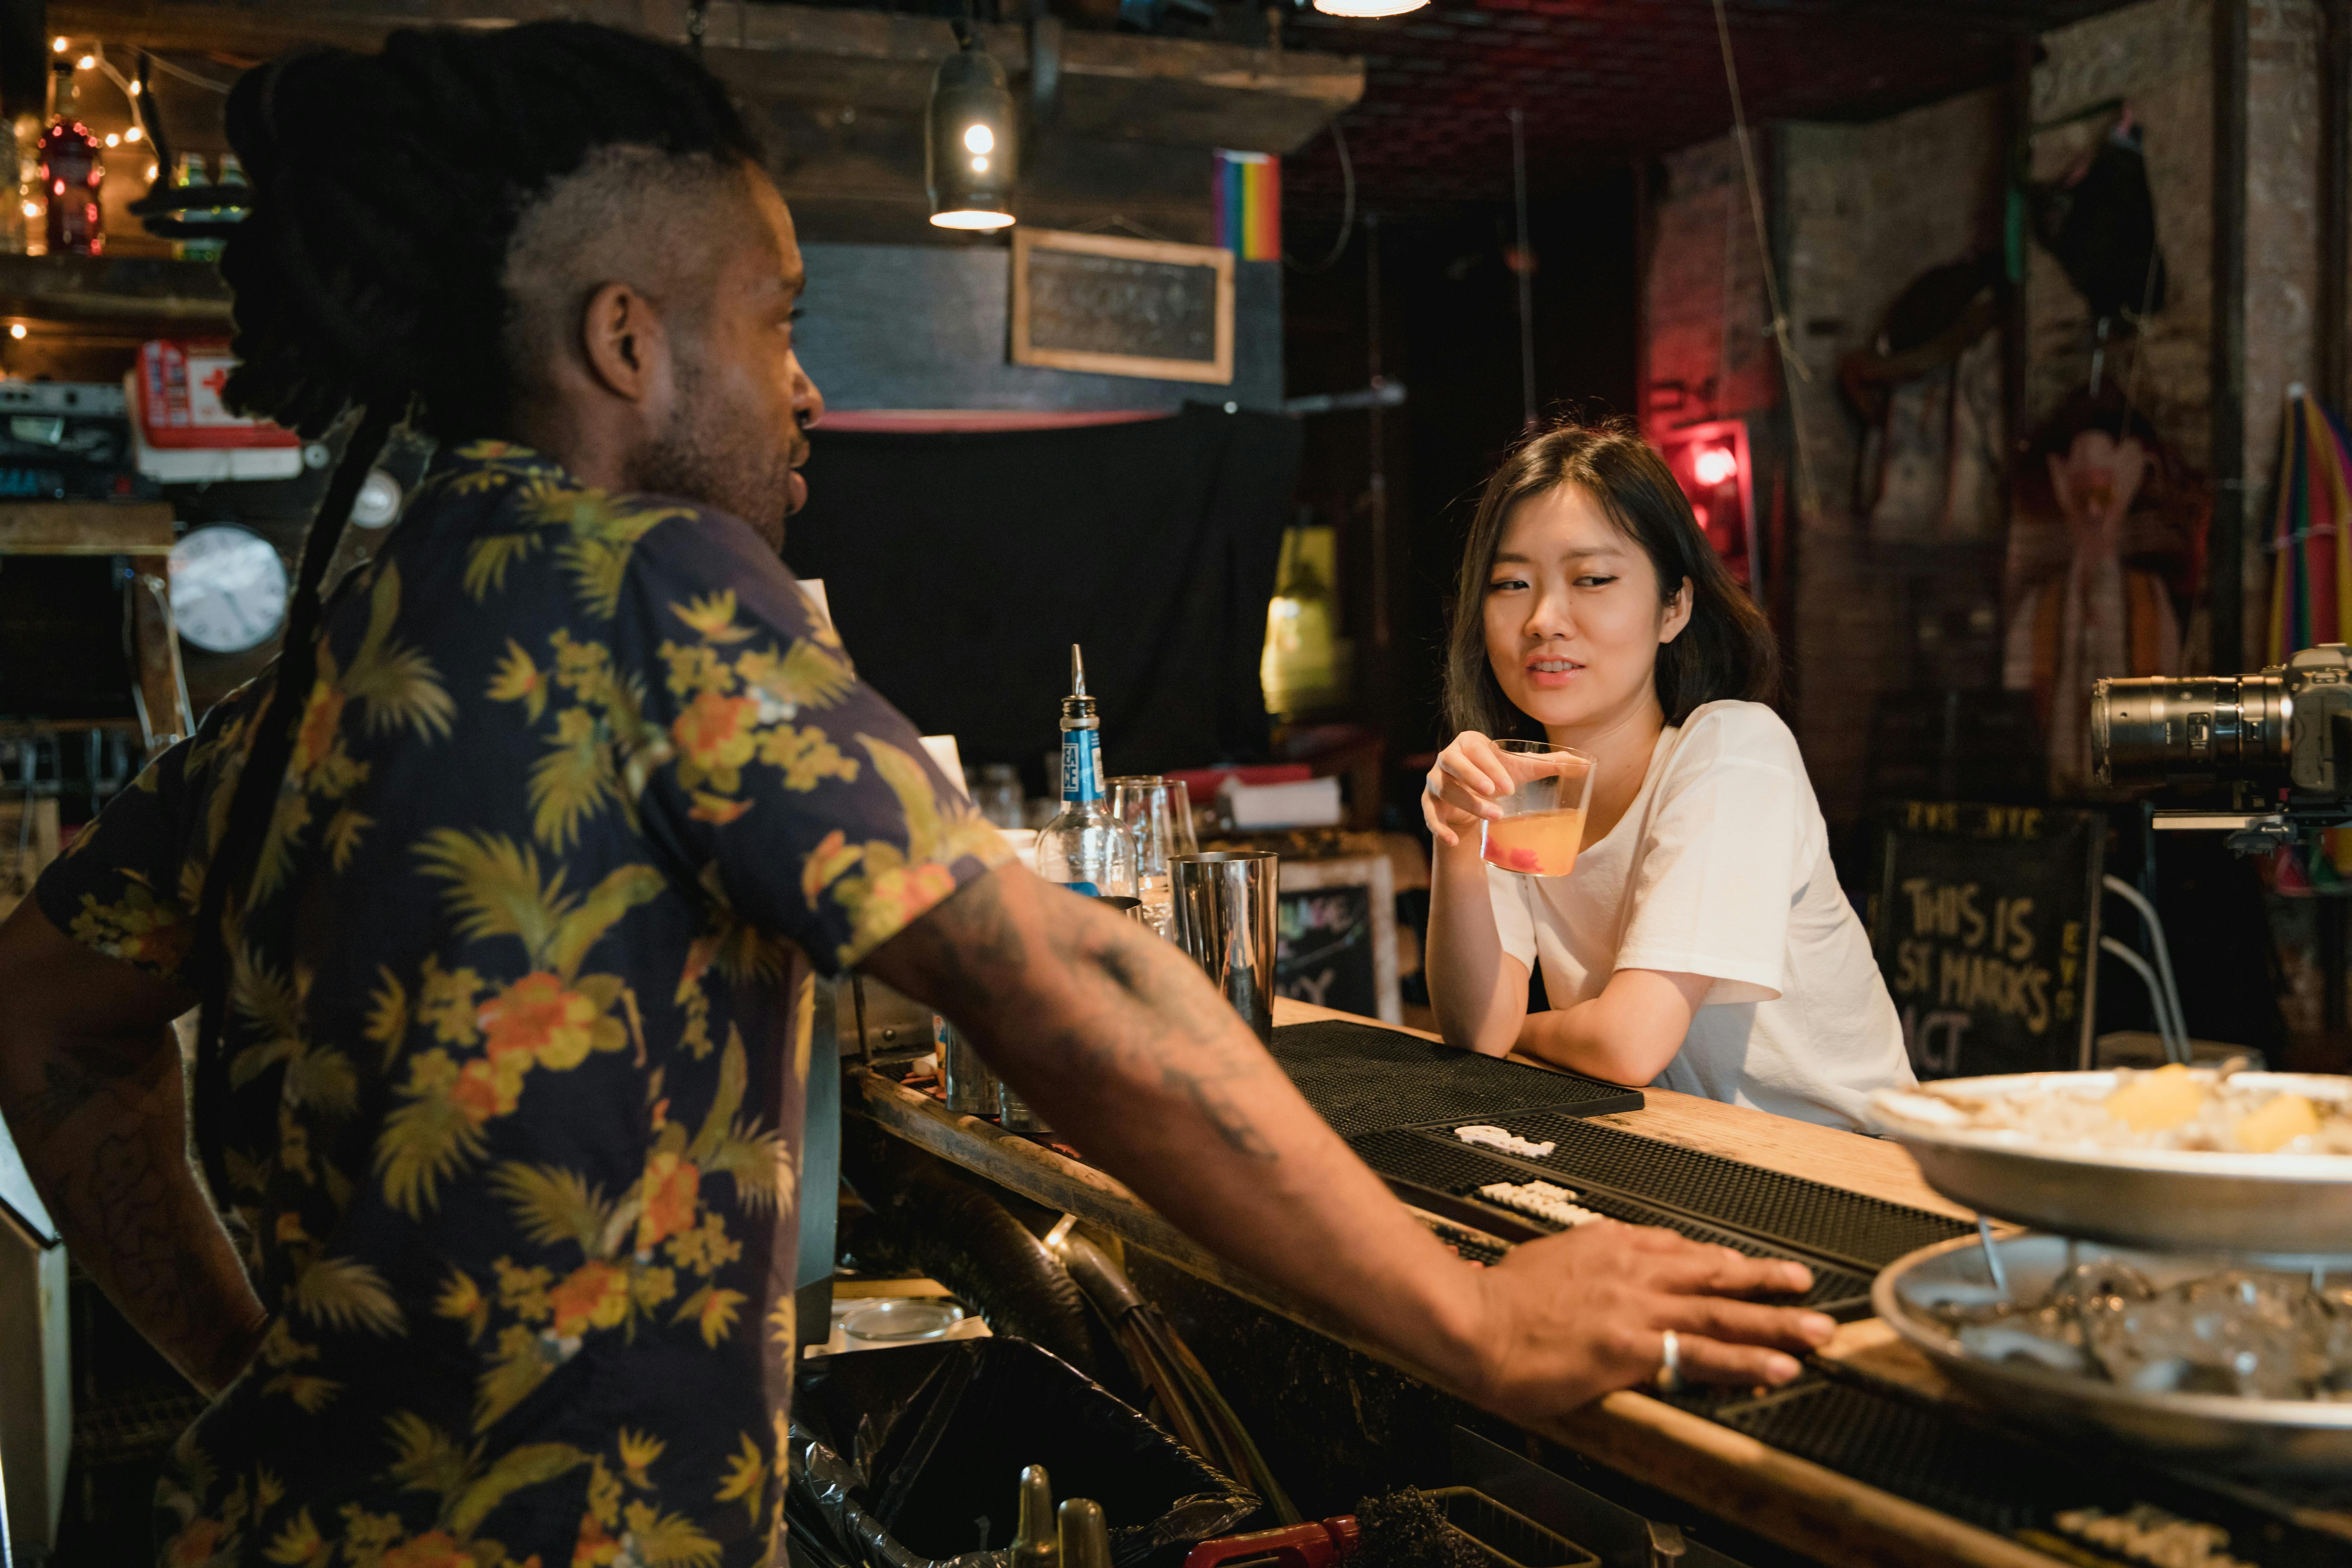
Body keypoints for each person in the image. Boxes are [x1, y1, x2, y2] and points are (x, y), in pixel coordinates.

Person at [0, 29, 1831, 1567]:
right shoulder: (657, 584)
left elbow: (44, 1015)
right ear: (632, 346)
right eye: (780, 317)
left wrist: (259, 1365)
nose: (810, 387)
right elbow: (1060, 978)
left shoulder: (334, 661)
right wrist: (1478, 1325)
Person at [1422, 421, 1914, 1130]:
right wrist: (1458, 843)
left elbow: (1627, 1043)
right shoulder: (1520, 784)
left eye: (1592, 579)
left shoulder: (1735, 752)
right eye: (1511, 583)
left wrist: (1525, 1034)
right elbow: (1476, 1032)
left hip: (1852, 1169)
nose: (1544, 619)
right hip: (1680, 1154)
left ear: (1674, 606)